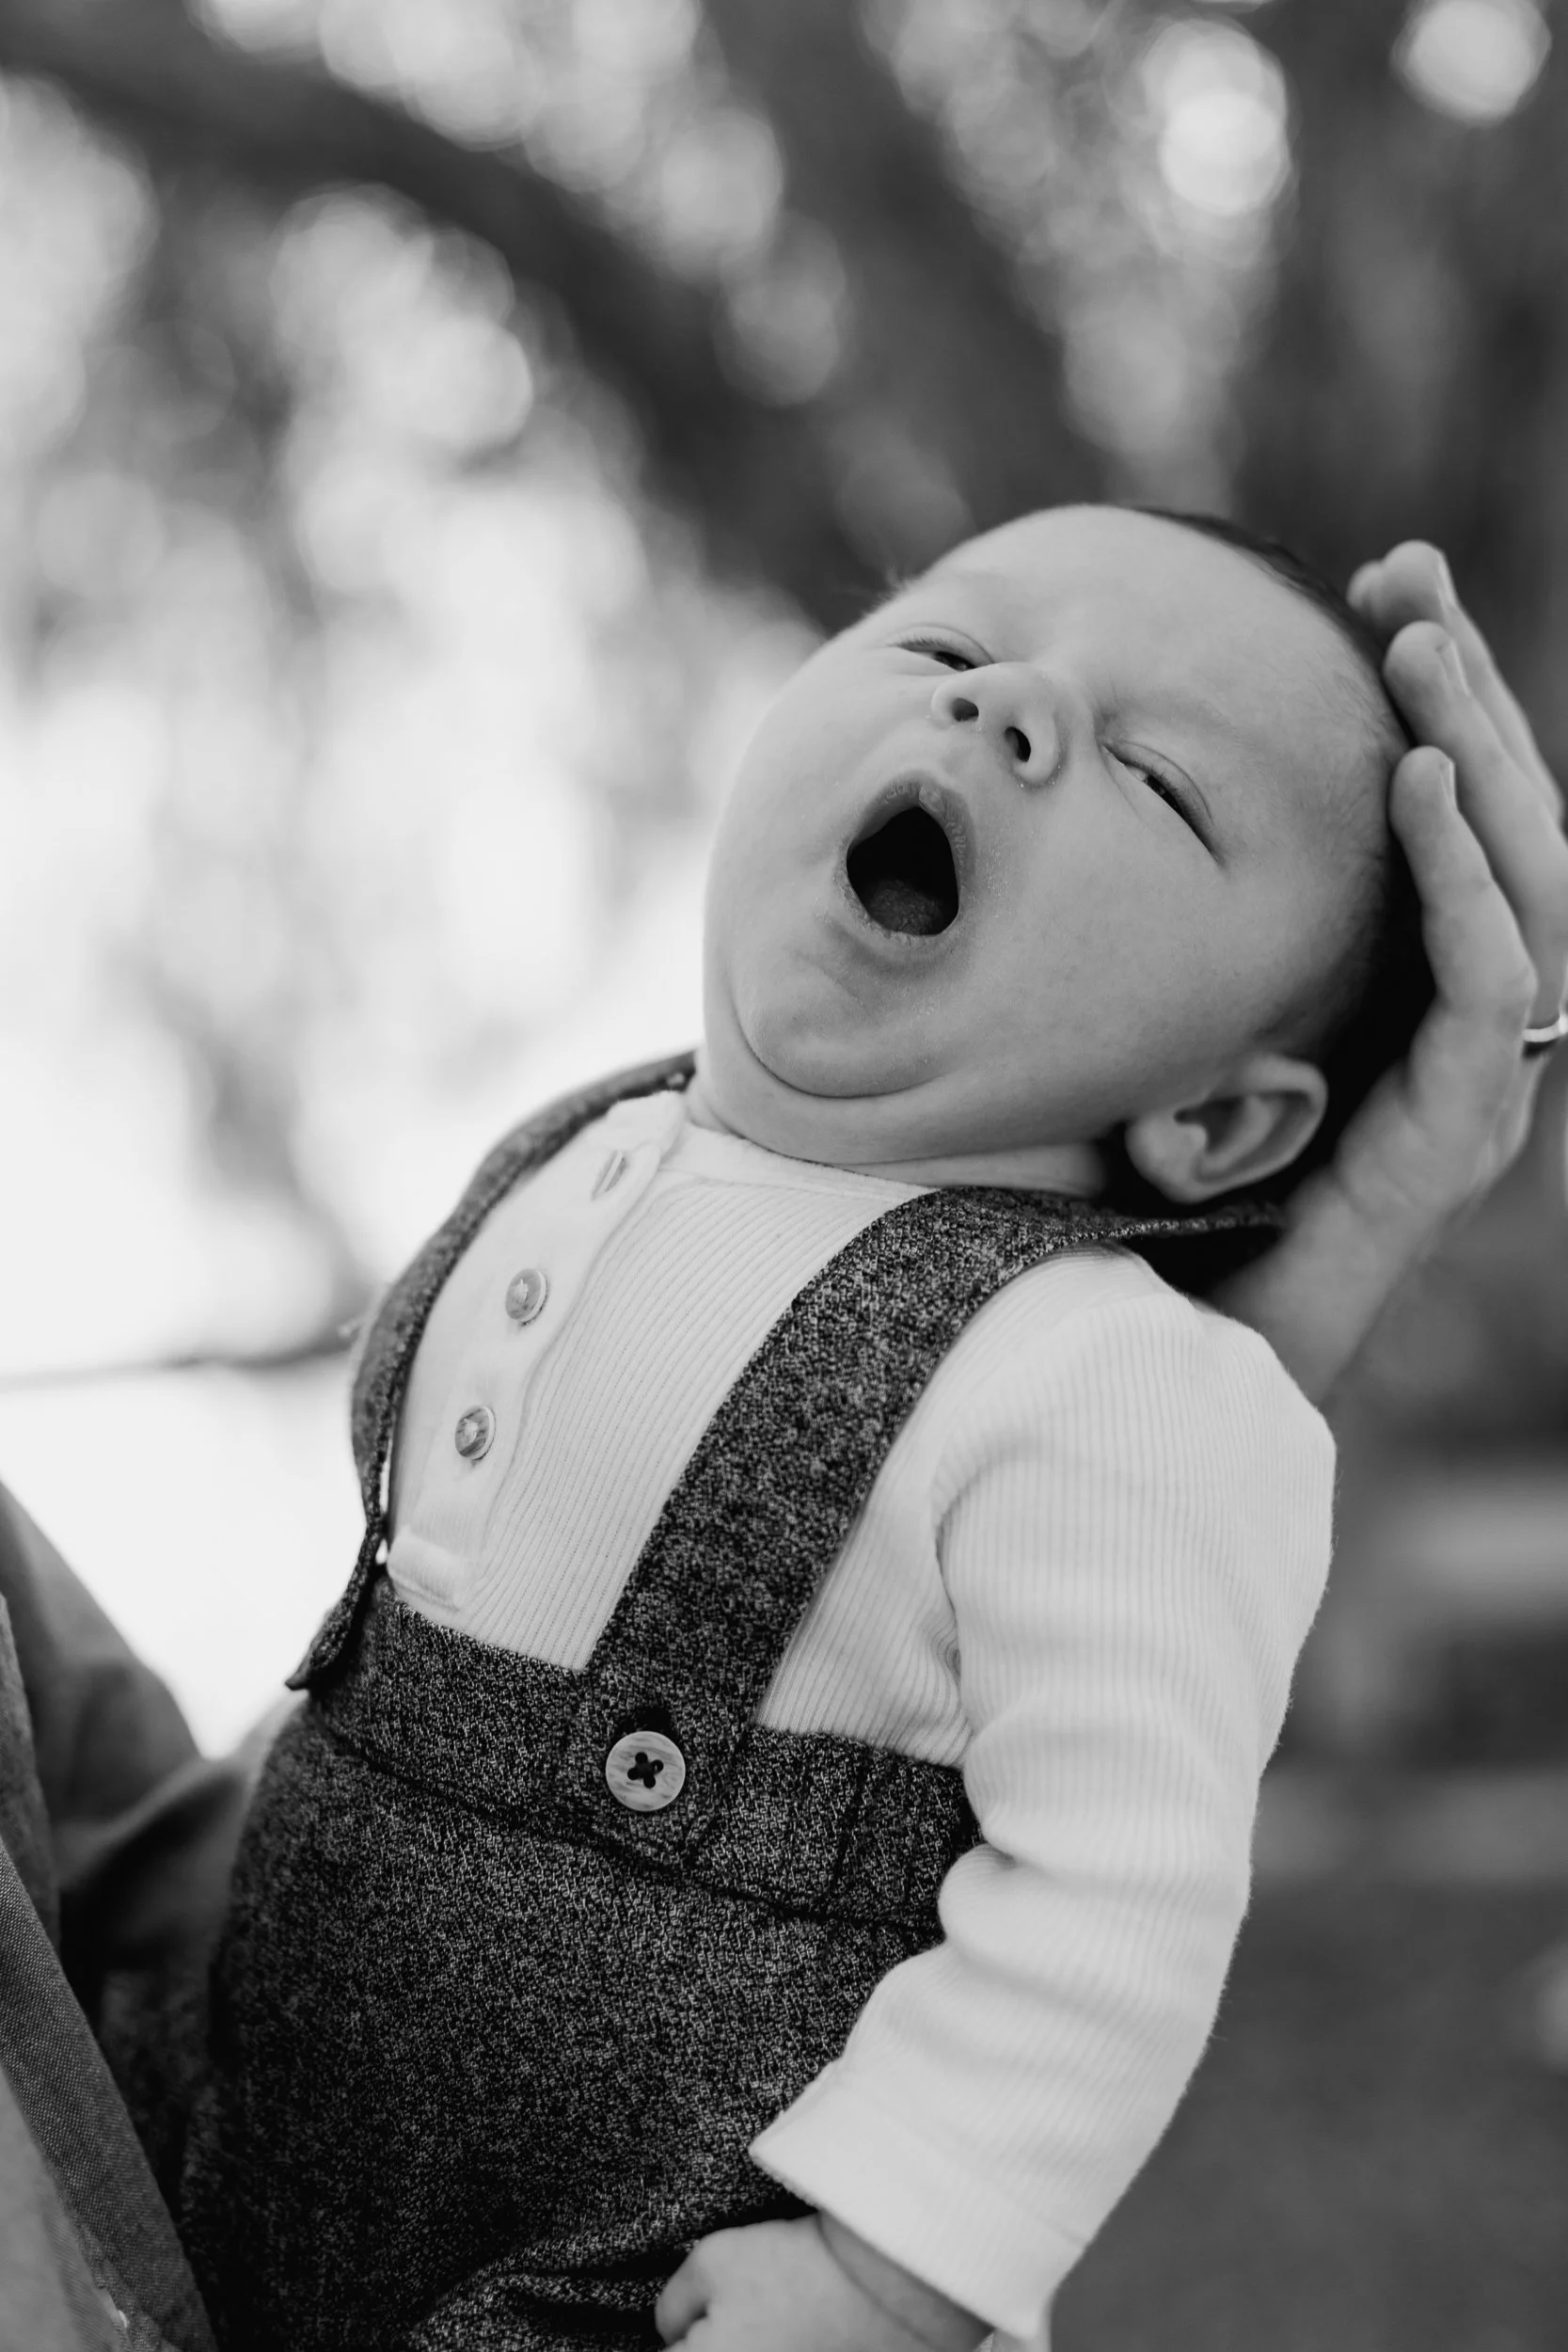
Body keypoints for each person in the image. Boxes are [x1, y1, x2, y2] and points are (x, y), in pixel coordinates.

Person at [0, 531, 1562, 2352]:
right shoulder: (595, 1144)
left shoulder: (1116, 1383)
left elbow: (1116, 1894)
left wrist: (897, 2267)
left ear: (1215, 1124)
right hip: (238, 2114)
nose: (1008, 702)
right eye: (943, 644)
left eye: (1156, 777)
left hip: (614, 2262)